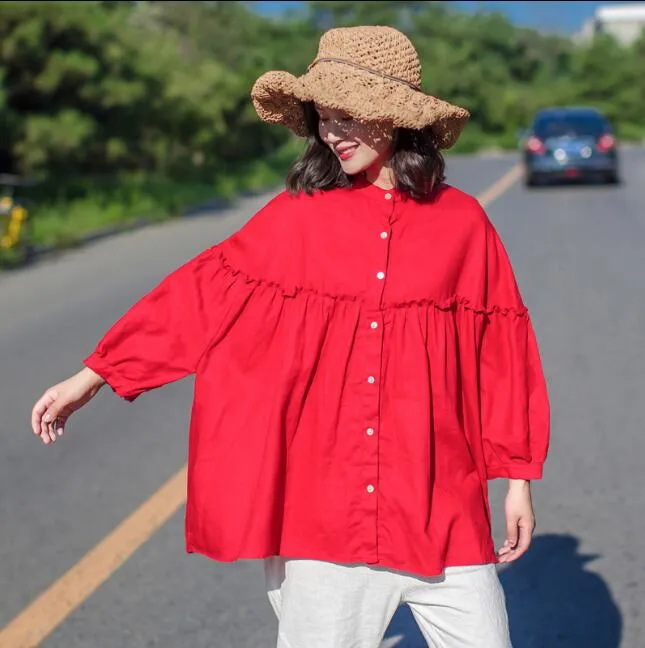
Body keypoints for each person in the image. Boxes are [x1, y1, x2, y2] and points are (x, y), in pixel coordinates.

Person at [30, 25, 550, 648]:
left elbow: (502, 356)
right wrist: (96, 375)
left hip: (442, 504)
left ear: (395, 117)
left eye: (347, 116)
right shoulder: (296, 217)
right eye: (323, 118)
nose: (332, 133)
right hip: (324, 517)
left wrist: (517, 481)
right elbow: (200, 296)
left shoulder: (463, 223)